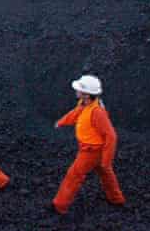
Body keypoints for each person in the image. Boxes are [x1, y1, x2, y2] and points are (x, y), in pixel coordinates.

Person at [51, 74, 125, 214]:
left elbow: (111, 136)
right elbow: (75, 113)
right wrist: (61, 122)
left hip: (91, 151)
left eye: (79, 89)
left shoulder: (97, 113)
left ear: (86, 94)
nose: (76, 91)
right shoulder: (85, 104)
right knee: (105, 173)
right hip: (94, 150)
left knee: (74, 176)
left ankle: (59, 205)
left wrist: (107, 159)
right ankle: (117, 199)